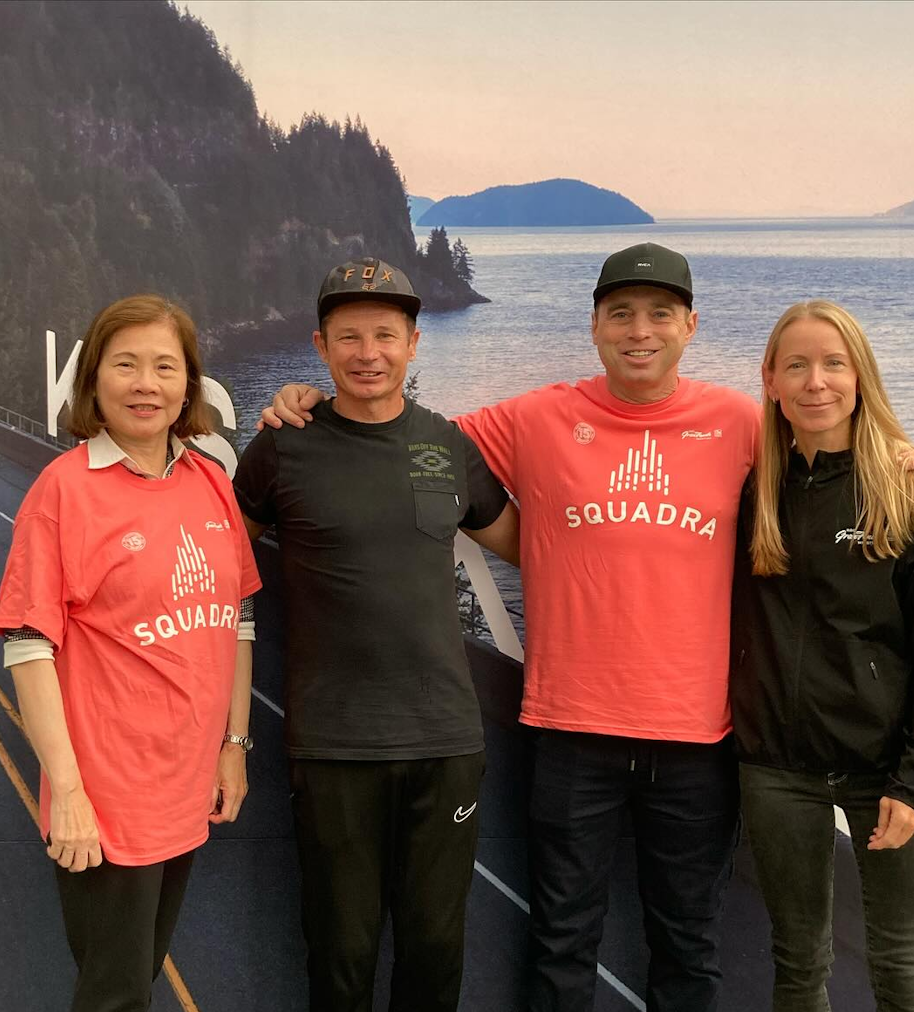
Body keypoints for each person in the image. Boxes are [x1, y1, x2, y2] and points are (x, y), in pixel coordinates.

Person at [261, 243, 914, 1012]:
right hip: (569, 732)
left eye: (661, 314)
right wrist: (307, 402)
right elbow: (398, 435)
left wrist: (905, 455)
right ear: (594, 326)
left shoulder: (738, 422)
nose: (640, 331)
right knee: (561, 943)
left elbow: (828, 447)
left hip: (699, 740)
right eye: (620, 313)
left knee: (689, 950)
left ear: (690, 325)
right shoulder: (535, 417)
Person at [233, 258, 519, 1012]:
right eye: (350, 336)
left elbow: (530, 543)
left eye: (386, 335)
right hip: (334, 744)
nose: (369, 353)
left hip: (446, 742)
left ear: (414, 343)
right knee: (341, 951)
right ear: (321, 346)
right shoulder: (282, 446)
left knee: (434, 947)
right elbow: (215, 553)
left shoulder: (448, 445)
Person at [0, 294, 262, 1012]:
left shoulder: (209, 480)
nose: (147, 383)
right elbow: (28, 646)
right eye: (127, 364)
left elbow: (235, 619)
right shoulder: (65, 491)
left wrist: (233, 745)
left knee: (134, 978)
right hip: (108, 798)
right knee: (114, 995)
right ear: (93, 382)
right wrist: (70, 795)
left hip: (185, 789)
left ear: (189, 385)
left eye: (165, 366)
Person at [730, 300, 914, 1012]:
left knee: (901, 969)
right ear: (770, 380)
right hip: (776, 769)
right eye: (797, 365)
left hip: (887, 768)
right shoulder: (754, 493)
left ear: (861, 376)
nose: (817, 382)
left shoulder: (910, 491)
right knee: (799, 965)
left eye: (834, 363)